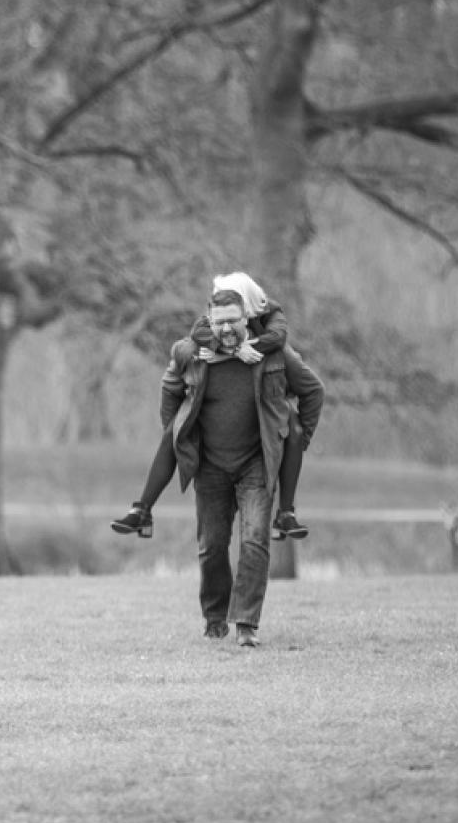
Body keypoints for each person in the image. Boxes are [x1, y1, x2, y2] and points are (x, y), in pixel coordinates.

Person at [159, 287, 324, 646]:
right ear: (209, 322)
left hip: (255, 464)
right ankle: (216, 616)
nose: (227, 328)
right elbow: (170, 388)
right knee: (212, 546)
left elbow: (313, 391)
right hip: (210, 466)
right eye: (220, 323)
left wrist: (296, 441)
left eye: (233, 320)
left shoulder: (274, 354)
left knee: (254, 540)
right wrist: (176, 436)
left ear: (246, 319)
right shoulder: (196, 354)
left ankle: (246, 624)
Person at [111, 272, 311, 542]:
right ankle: (142, 509)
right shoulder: (200, 337)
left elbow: (278, 342)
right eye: (217, 312)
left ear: (246, 308)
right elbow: (196, 338)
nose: (223, 320)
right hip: (215, 437)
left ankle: (286, 512)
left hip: (269, 401)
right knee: (175, 430)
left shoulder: (272, 317)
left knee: (295, 432)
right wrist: (229, 350)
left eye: (232, 314)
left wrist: (296, 442)